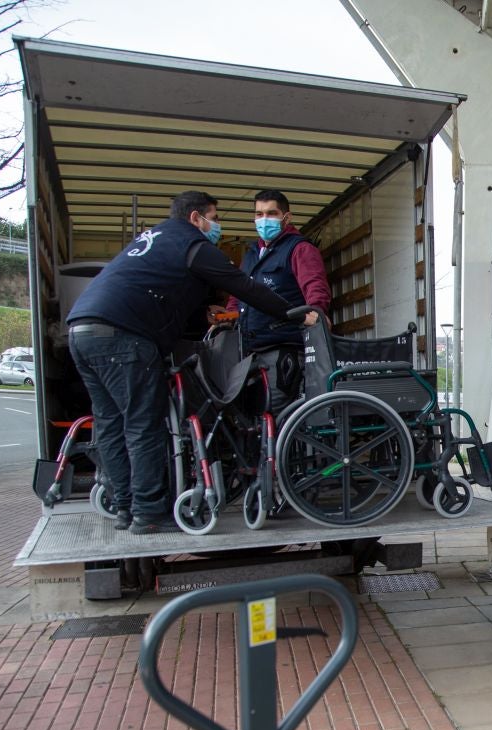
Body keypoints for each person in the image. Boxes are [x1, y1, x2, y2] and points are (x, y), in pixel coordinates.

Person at [66, 190, 317, 535]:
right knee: (143, 424)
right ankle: (150, 512)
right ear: (196, 218)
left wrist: (205, 314)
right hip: (122, 337)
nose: (217, 226)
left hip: (80, 329)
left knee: (111, 424)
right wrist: (295, 315)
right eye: (214, 218)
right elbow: (243, 287)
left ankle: (125, 508)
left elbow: (165, 296)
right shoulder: (191, 243)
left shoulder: (154, 238)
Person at [226, 189, 331, 411]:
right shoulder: (251, 254)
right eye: (258, 214)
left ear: (286, 217)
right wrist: (228, 313)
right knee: (254, 415)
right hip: (250, 352)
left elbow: (315, 287)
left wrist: (316, 313)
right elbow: (239, 292)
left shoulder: (300, 249)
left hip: (283, 350)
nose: (264, 219)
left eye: (271, 213)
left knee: (275, 413)